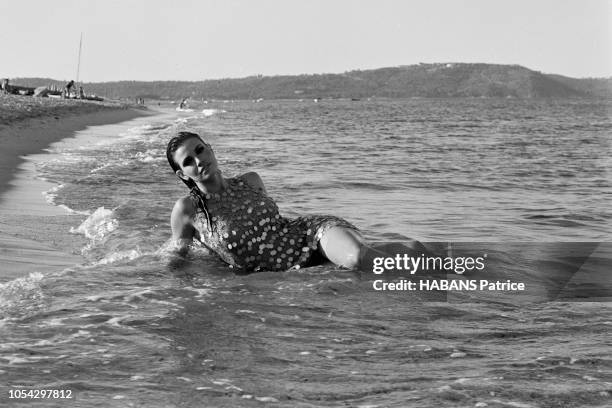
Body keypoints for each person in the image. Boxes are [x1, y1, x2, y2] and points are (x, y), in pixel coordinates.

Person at [167, 131, 427, 273]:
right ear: (182, 174)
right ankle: (413, 251)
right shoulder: (187, 209)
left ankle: (439, 268)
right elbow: (179, 256)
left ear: (210, 148)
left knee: (358, 259)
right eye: (188, 161)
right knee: (366, 262)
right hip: (285, 272)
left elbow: (273, 227)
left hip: (309, 234)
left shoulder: (251, 180)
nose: (198, 161)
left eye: (200, 150)